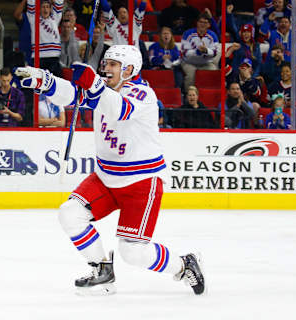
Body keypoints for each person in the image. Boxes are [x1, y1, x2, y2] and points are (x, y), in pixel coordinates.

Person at [15, 45, 205, 295]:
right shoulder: (103, 91)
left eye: (113, 64)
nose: (106, 69)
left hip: (141, 182)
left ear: (129, 69)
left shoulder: (143, 95)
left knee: (133, 253)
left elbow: (118, 109)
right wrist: (45, 82)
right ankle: (102, 270)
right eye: (105, 64)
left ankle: (183, 264)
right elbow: (72, 95)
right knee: (70, 214)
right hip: (106, 177)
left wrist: (94, 83)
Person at [181, 12, 219, 92]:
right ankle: (188, 96)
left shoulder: (213, 35)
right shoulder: (188, 34)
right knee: (190, 76)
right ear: (197, 23)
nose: (203, 24)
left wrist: (206, 50)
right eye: (201, 22)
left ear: (209, 25)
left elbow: (215, 52)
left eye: (205, 23)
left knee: (214, 72)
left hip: (206, 63)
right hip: (189, 62)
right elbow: (185, 52)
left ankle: (209, 94)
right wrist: (197, 52)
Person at [26, 0, 64, 77]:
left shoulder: (55, 18)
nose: (45, 9)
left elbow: (59, 2)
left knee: (56, 84)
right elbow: (31, 3)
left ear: (50, 9)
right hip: (39, 57)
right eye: (43, 7)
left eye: (47, 7)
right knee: (39, 85)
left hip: (54, 57)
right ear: (39, 9)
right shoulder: (33, 19)